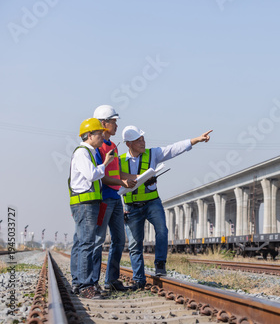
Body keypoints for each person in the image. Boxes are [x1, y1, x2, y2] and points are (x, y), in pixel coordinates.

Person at [120, 125, 212, 289]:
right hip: (131, 207)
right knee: (135, 245)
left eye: (143, 139)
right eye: (138, 140)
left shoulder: (152, 154)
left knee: (162, 231)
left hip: (152, 202)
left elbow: (173, 149)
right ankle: (138, 279)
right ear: (129, 144)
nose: (143, 142)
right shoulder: (119, 162)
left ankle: (160, 264)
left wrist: (196, 140)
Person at [91, 105, 137, 292]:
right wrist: (122, 181)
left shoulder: (113, 147)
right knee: (98, 241)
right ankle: (92, 282)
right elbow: (101, 175)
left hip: (116, 198)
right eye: (114, 122)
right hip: (103, 198)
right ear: (104, 123)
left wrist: (133, 178)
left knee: (119, 239)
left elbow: (116, 171)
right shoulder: (97, 147)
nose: (116, 126)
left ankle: (111, 280)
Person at [69, 118, 114, 299]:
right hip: (85, 204)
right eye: (99, 134)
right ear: (89, 136)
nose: (102, 137)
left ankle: (79, 283)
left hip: (86, 203)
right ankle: (86, 286)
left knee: (81, 243)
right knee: (86, 243)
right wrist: (106, 163)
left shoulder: (86, 152)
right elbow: (92, 175)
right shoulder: (83, 153)